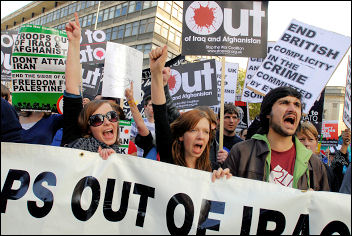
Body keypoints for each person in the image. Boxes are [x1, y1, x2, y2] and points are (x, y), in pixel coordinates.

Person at [149, 45, 231, 182]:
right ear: (181, 135)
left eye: (206, 131)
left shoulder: (212, 170)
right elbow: (160, 111)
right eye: (194, 130)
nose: (201, 136)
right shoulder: (169, 158)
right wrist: (156, 74)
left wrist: (223, 182)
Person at [223, 86, 330, 191]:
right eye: (284, 103)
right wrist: (218, 180)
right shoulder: (242, 152)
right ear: (268, 113)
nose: (293, 109)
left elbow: (324, 206)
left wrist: (312, 203)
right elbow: (224, 198)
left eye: (297, 105)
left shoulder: (314, 164)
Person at [61, 13, 120, 160]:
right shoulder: (75, 144)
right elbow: (73, 90)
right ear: (88, 127)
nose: (107, 121)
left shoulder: (121, 157)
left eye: (112, 116)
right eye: (97, 120)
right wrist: (75, 43)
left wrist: (112, 162)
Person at [296, 121, 339, 191]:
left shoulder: (324, 169)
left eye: (310, 139)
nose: (306, 143)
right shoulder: (288, 164)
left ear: (316, 143)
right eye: (301, 139)